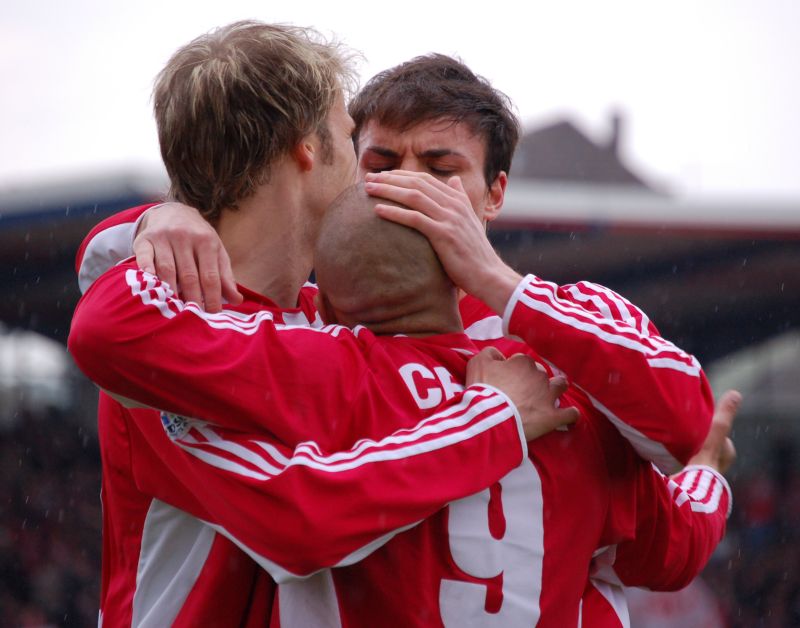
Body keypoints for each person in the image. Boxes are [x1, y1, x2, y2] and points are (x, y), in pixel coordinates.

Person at [74, 41, 728, 625]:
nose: (406, 188)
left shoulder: (554, 347)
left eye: (441, 171)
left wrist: (501, 286)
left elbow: (676, 464)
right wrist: (156, 219)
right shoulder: (276, 343)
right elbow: (300, 519)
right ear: (320, 157)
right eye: (380, 161)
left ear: (495, 193)